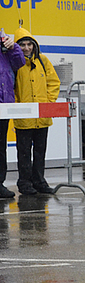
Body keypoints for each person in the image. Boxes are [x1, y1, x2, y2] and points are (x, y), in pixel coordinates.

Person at [13, 27, 61, 195]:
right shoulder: (15, 63)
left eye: (29, 44)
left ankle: (39, 181)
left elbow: (53, 82)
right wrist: (17, 107)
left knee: (40, 151)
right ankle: (25, 183)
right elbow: (12, 87)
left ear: (34, 45)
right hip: (23, 117)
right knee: (24, 152)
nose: (27, 48)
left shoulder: (43, 61)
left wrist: (48, 102)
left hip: (42, 116)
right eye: (22, 45)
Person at [0, 29, 25, 198]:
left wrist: (13, 47)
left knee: (1, 147)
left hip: (4, 104)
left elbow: (19, 62)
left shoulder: (5, 44)